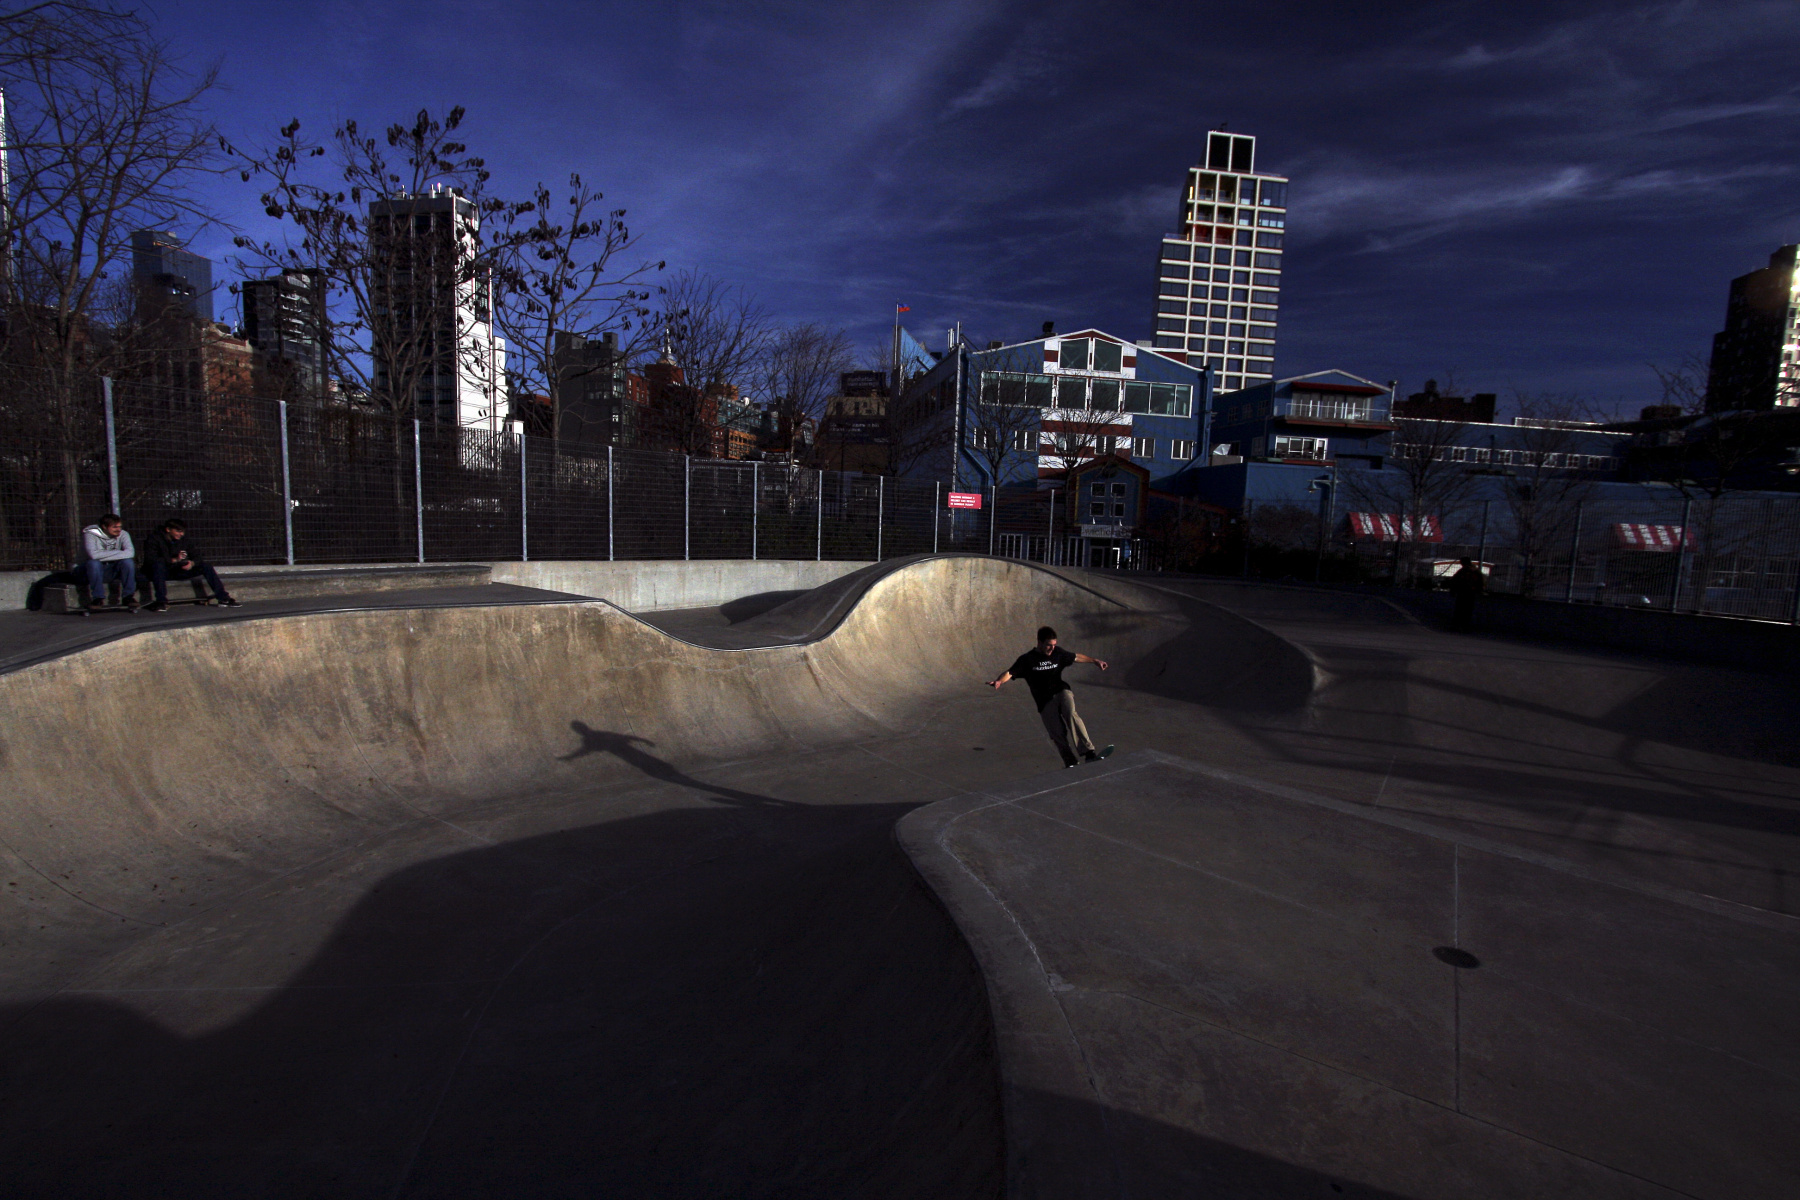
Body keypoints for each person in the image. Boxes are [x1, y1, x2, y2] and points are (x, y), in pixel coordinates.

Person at [988, 625, 1115, 768]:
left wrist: (1094, 660)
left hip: (1061, 691)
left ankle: (1089, 753)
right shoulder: (1027, 659)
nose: (1052, 648)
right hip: (1044, 700)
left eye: (1054, 645)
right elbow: (1010, 673)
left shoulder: (1058, 653)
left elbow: (1076, 657)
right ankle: (1070, 762)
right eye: (1049, 645)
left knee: (1071, 714)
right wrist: (999, 681)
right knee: (1056, 733)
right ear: (1039, 643)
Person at [140, 518, 240, 611]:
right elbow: (151, 559)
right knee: (159, 565)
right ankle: (161, 601)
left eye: (182, 531)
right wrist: (174, 560)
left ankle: (223, 598)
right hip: (158, 572)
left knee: (206, 567)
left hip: (177, 570)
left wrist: (192, 563)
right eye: (178, 531)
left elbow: (197, 556)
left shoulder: (184, 540)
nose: (181, 534)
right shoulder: (154, 539)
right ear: (168, 529)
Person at [79, 514, 138, 612]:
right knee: (94, 563)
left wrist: (102, 555)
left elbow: (130, 553)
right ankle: (97, 598)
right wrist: (121, 553)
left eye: (120, 527)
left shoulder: (123, 534)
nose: (118, 529)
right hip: (86, 572)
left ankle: (128, 597)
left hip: (108, 570)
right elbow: (93, 555)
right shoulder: (90, 535)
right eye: (114, 527)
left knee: (127, 562)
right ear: (104, 527)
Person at [1448, 557, 1485, 631]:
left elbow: (1454, 581)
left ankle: (1457, 625)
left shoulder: (1463, 571)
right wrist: (1480, 591)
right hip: (1471, 593)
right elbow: (1481, 582)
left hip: (1462, 592)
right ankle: (1465, 626)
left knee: (1459, 610)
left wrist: (1453, 590)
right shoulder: (1476, 571)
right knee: (1468, 610)